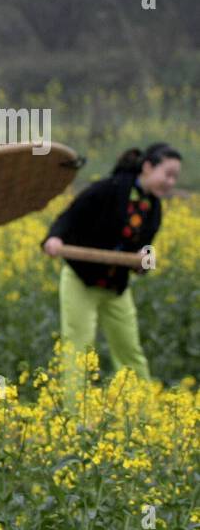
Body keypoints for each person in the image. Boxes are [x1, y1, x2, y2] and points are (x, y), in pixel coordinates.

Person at [42, 142, 182, 397]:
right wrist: (54, 238)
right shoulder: (110, 188)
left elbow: (146, 249)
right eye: (167, 174)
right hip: (81, 278)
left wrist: (144, 261)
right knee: (78, 348)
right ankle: (76, 417)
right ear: (148, 167)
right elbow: (70, 215)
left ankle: (141, 415)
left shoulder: (154, 208)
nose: (170, 182)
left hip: (116, 285)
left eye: (175, 177)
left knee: (130, 350)